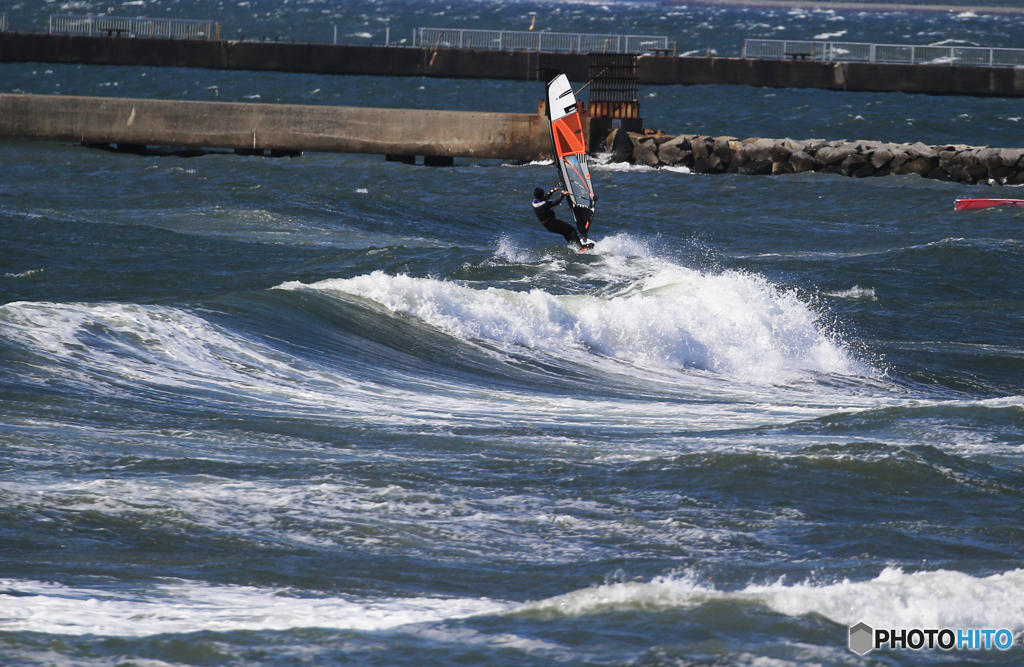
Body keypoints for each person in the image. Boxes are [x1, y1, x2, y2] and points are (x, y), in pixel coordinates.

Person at [531, 186, 592, 251]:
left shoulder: (534, 202)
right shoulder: (544, 204)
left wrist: (553, 190)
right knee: (572, 230)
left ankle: (577, 246)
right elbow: (556, 202)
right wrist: (562, 195)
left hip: (548, 224)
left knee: (566, 233)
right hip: (552, 223)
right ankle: (580, 248)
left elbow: (545, 198)